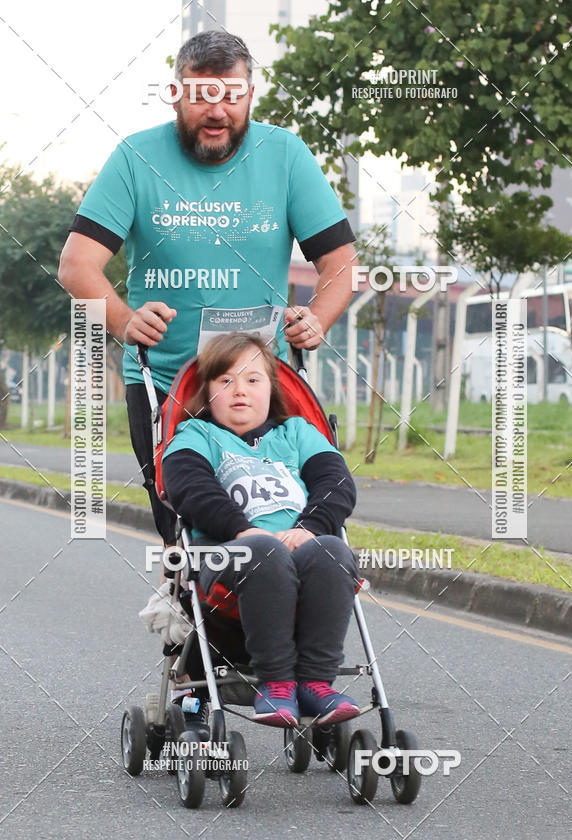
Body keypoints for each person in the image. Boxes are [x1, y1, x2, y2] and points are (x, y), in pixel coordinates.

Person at [58, 30, 356, 546]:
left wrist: (317, 318)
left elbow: (341, 261)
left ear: (250, 94)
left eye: (231, 96)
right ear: (176, 94)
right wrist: (125, 320)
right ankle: (189, 609)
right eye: (201, 97)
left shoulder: (285, 155)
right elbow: (76, 265)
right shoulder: (135, 158)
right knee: (188, 531)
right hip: (167, 387)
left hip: (264, 386)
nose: (217, 112)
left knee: (284, 514)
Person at [161, 332, 359, 727]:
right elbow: (190, 488)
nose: (240, 391)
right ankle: (277, 681)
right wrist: (243, 531)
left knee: (334, 551)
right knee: (264, 552)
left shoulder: (297, 433)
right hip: (230, 559)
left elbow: (336, 483)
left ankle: (316, 683)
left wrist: (310, 528)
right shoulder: (196, 436)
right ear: (207, 390)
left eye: (253, 380)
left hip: (303, 550)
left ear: (271, 388)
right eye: (225, 380)